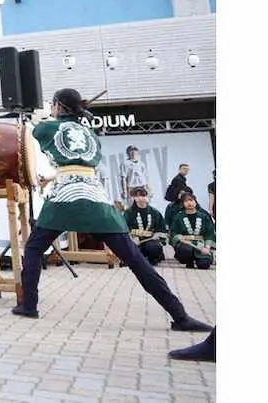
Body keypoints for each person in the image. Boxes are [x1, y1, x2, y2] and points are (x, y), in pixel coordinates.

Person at [12, 88, 212, 333]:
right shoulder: (91, 134)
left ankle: (29, 305)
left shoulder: (48, 128)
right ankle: (179, 315)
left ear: (57, 106)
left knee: (33, 248)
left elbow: (41, 132)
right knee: (136, 260)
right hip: (95, 195)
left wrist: (43, 118)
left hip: (64, 195)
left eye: (53, 105)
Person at [170, 192, 216, 270]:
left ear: (195, 202)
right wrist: (178, 237)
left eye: (191, 200)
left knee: (204, 265)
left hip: (201, 245)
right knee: (185, 250)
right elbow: (173, 232)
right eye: (186, 201)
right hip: (185, 243)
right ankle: (189, 261)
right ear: (183, 204)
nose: (189, 203)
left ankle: (201, 259)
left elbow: (209, 233)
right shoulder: (178, 217)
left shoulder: (204, 216)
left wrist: (207, 247)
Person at [123, 186, 167, 265]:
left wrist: (157, 236)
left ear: (147, 197)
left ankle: (151, 260)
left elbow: (161, 228)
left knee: (154, 247)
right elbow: (124, 227)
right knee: (131, 250)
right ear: (133, 198)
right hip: (135, 240)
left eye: (143, 195)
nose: (140, 198)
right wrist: (132, 236)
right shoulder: (128, 213)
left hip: (151, 240)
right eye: (137, 196)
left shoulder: (155, 212)